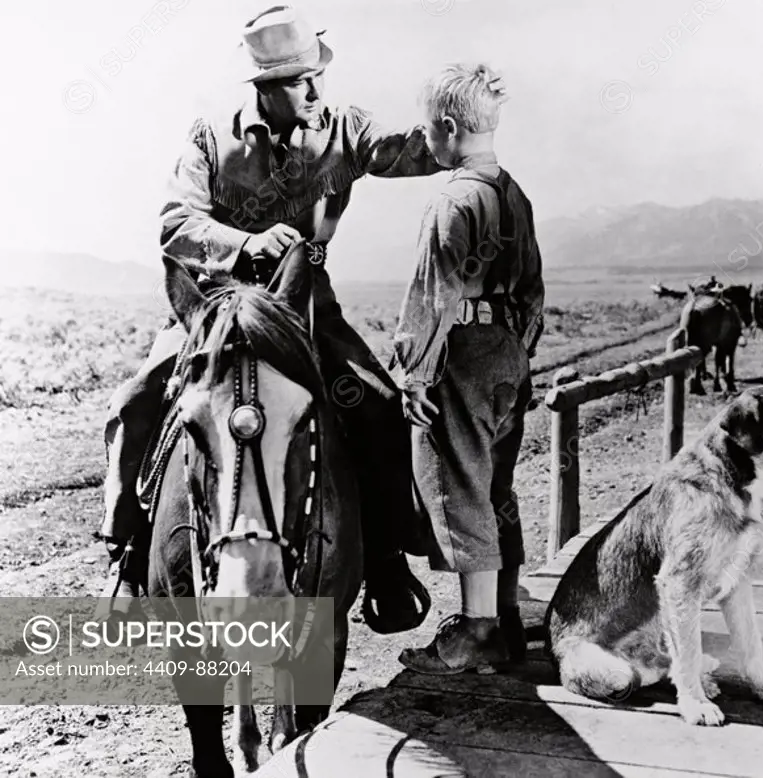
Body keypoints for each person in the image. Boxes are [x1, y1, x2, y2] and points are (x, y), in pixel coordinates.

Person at [97, 5, 444, 633]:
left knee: (375, 403)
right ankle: (125, 549)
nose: (314, 91)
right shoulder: (209, 139)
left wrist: (459, 135)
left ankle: (388, 561)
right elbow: (175, 225)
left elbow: (406, 152)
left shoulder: (344, 128)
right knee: (138, 400)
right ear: (264, 88)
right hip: (214, 306)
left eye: (315, 77)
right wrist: (243, 245)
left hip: (305, 304)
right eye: (298, 81)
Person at [390, 63, 545, 675]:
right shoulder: (514, 193)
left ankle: (477, 632)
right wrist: (519, 348)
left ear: (448, 129)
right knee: (497, 485)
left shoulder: (452, 200)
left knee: (457, 485)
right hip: (508, 348)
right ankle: (504, 618)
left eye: (428, 133)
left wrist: (416, 374)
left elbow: (432, 297)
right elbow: (533, 288)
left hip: (465, 350)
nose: (426, 143)